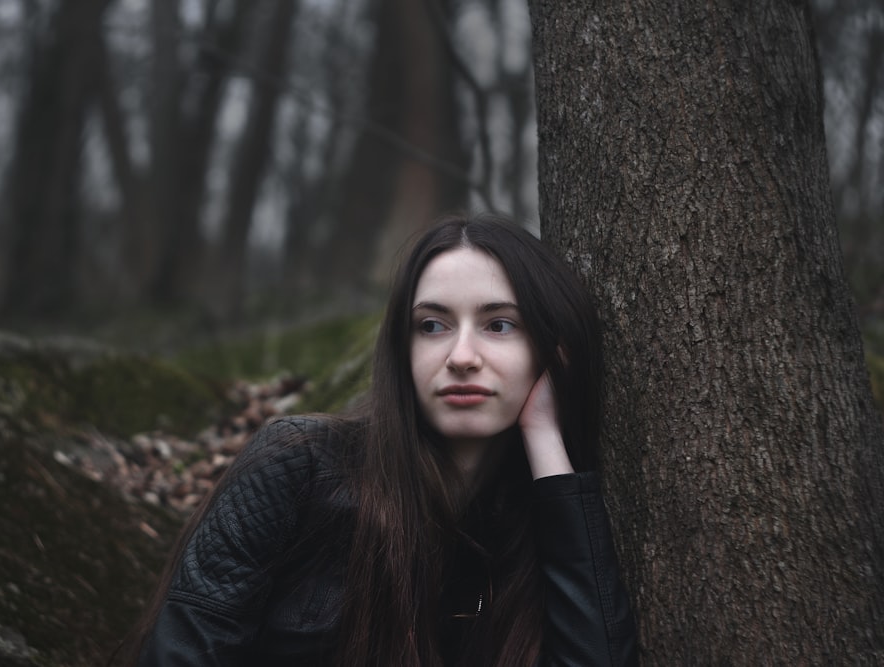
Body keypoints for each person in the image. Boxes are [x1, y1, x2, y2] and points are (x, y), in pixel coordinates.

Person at [123, 212, 637, 666]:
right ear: (403, 349)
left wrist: (545, 439)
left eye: (499, 325)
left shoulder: (522, 526)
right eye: (432, 326)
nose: (461, 356)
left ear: (550, 352)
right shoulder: (298, 466)